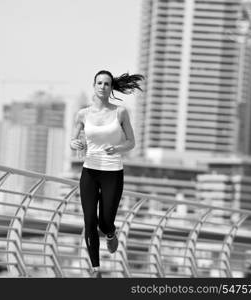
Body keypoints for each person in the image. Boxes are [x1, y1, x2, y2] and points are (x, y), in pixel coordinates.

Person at [70, 70, 144, 278]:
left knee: (104, 222)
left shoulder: (121, 112)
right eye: (99, 83)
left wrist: (118, 149)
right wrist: (74, 143)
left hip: (112, 172)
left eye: (107, 84)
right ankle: (95, 269)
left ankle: (110, 233)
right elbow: (73, 140)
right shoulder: (82, 114)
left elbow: (131, 142)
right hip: (90, 171)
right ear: (94, 86)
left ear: (111, 88)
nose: (103, 86)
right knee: (89, 221)